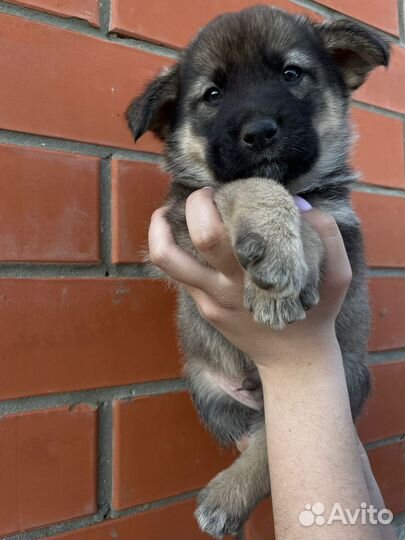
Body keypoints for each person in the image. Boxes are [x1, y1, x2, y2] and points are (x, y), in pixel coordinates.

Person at [148, 187, 397, 540]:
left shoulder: (328, 195)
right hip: (223, 385)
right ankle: (266, 452)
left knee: (354, 377)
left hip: (327, 376)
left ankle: (261, 463)